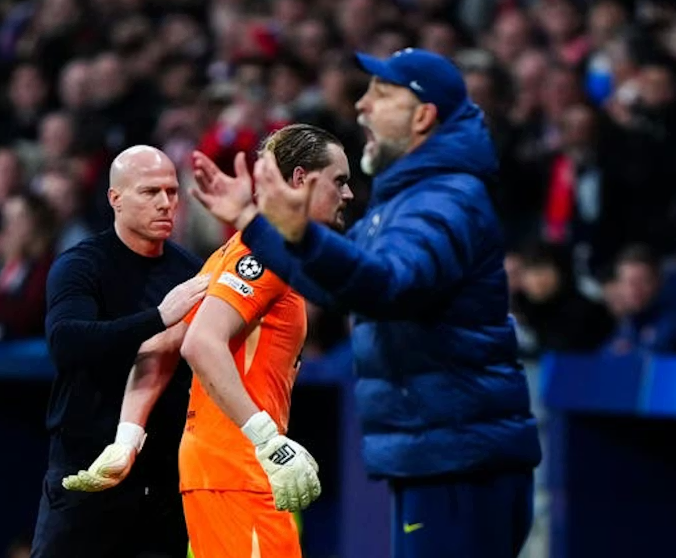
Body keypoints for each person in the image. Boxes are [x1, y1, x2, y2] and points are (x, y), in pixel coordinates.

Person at [190, 48, 543, 558]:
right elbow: (338, 286)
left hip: (458, 456)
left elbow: (387, 285)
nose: (361, 106)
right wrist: (256, 222)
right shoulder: (405, 199)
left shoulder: (443, 199)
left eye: (381, 95)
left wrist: (287, 230)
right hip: (438, 453)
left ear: (422, 117)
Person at [61, 123, 353, 558]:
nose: (348, 194)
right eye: (339, 180)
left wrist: (127, 439)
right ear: (300, 180)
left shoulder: (228, 253)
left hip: (217, 471)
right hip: (241, 471)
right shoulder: (263, 255)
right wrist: (268, 442)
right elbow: (199, 343)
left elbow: (163, 344)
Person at [30, 145, 210, 558]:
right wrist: (159, 317)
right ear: (116, 198)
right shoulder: (81, 265)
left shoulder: (190, 272)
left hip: (161, 481)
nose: (165, 203)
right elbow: (67, 344)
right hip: (86, 470)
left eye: (171, 191)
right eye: (150, 192)